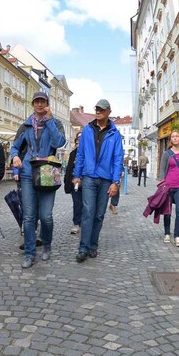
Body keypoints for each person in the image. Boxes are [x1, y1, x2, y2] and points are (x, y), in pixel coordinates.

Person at [10, 91, 66, 268]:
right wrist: (14, 157)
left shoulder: (56, 123)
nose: (40, 105)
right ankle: (29, 252)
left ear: (47, 104)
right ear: (33, 104)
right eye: (36, 102)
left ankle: (47, 243)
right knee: (29, 217)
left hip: (48, 171)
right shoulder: (26, 125)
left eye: (43, 102)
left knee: (46, 216)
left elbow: (59, 143)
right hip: (28, 173)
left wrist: (49, 121)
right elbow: (15, 147)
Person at [72, 99, 123, 263]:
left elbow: (118, 159)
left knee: (99, 214)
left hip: (106, 179)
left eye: (101, 109)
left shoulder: (114, 133)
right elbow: (80, 154)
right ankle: (83, 248)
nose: (98, 111)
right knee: (88, 212)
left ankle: (93, 245)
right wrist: (77, 174)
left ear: (109, 111)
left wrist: (115, 182)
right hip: (88, 177)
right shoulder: (87, 130)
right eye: (97, 109)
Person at [64, 131, 83, 235]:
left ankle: (85, 223)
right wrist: (67, 181)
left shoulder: (89, 152)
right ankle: (76, 223)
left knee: (87, 204)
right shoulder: (73, 153)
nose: (79, 141)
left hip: (87, 182)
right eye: (78, 139)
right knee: (77, 204)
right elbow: (69, 168)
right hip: (75, 183)